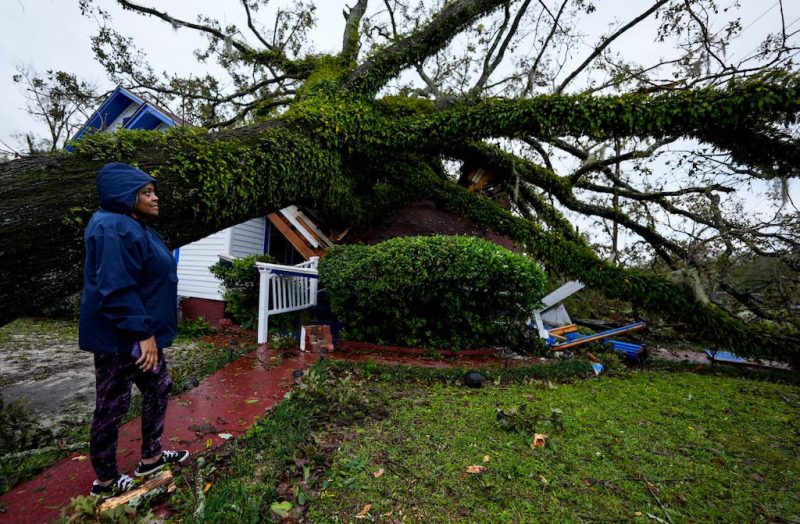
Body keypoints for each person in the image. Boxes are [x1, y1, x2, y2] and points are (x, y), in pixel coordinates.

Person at [79, 162, 188, 497]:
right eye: (147, 192)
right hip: (121, 338)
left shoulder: (133, 225)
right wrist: (143, 334)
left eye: (153, 190)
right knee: (113, 406)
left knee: (159, 385)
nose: (156, 198)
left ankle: (151, 458)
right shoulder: (112, 226)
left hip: (140, 332)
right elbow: (117, 288)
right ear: (126, 195)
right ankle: (106, 482)